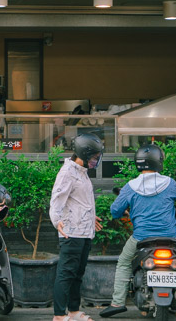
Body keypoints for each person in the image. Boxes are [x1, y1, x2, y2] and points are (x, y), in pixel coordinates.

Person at [99, 144, 176, 318]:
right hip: (170, 235)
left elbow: (114, 211)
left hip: (141, 238)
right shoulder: (170, 183)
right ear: (159, 161)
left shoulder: (130, 186)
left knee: (124, 263)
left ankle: (117, 302)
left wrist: (125, 211)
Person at [49, 134, 104, 321]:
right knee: (66, 274)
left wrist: (90, 216)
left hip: (84, 231)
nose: (96, 160)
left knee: (77, 275)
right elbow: (57, 200)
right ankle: (58, 315)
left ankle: (73, 311)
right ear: (84, 153)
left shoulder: (81, 172)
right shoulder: (67, 173)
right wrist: (57, 221)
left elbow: (79, 201)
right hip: (71, 232)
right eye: (94, 156)